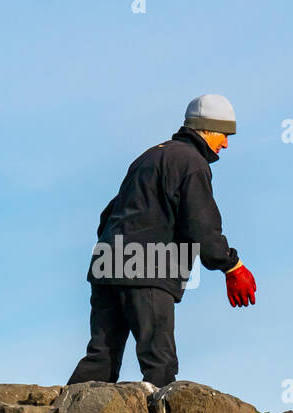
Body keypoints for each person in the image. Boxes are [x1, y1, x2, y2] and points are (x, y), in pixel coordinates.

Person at [67, 94, 257, 387]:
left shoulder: (149, 157)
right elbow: (202, 227)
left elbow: (109, 214)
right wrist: (233, 267)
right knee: (159, 362)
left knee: (100, 358)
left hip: (106, 264)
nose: (226, 144)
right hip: (147, 269)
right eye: (224, 134)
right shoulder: (192, 164)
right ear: (206, 129)